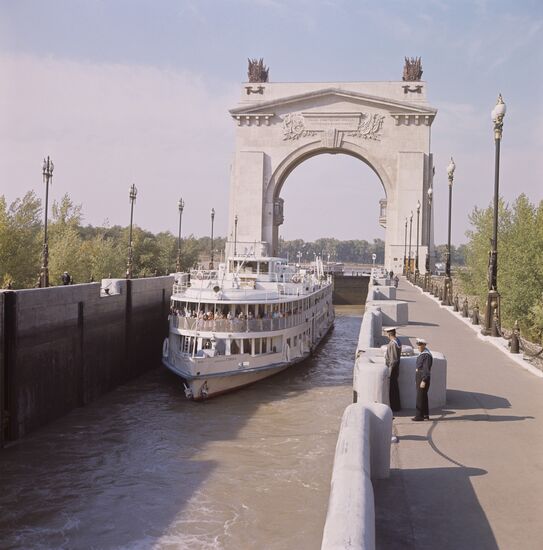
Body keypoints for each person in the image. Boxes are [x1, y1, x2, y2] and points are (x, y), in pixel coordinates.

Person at [412, 337, 433, 421]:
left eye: (420, 345)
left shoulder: (426, 355)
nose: (418, 346)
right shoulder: (423, 353)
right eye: (418, 345)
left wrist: (424, 380)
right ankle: (425, 414)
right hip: (420, 377)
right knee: (423, 397)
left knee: (420, 397)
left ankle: (419, 416)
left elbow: (426, 369)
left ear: (424, 345)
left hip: (422, 377)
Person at [384, 327, 401, 412]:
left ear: (389, 334)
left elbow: (394, 359)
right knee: (394, 388)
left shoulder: (393, 343)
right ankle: (396, 406)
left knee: (393, 389)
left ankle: (395, 407)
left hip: (393, 369)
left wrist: (390, 371)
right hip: (395, 368)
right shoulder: (397, 341)